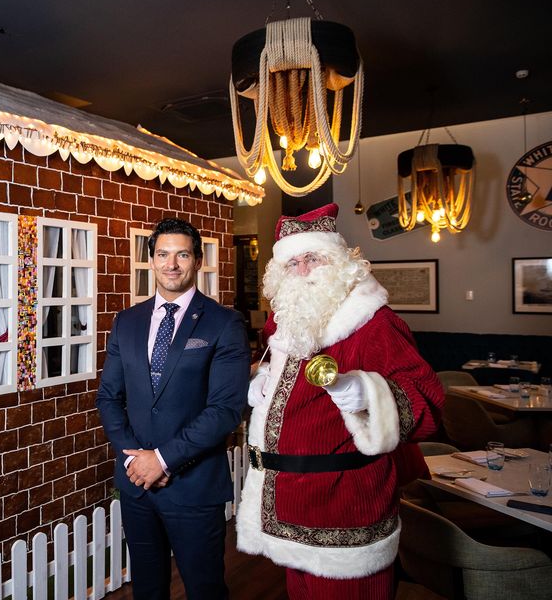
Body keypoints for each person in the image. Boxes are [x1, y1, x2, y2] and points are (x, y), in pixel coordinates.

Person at [236, 203, 444, 599]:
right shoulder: (288, 320)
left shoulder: (374, 321)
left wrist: (367, 392)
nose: (302, 271)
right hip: (287, 506)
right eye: (292, 262)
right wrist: (263, 379)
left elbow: (429, 404)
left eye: (312, 258)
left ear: (337, 261)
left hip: (345, 506)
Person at [96, 217, 250, 600]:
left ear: (197, 260)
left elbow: (225, 410)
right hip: (137, 487)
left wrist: (161, 460)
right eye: (163, 254)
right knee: (147, 590)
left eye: (182, 254)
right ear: (152, 260)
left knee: (205, 590)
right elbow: (109, 398)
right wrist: (135, 460)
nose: (172, 264)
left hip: (194, 488)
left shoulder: (224, 323)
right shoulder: (127, 322)